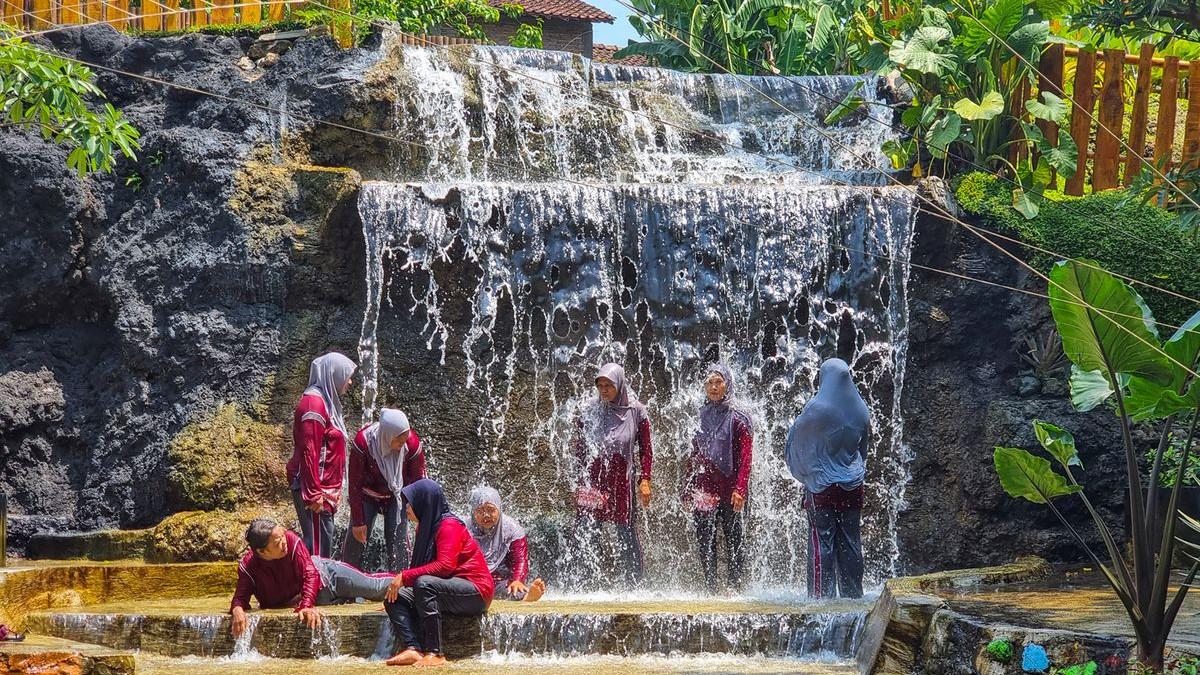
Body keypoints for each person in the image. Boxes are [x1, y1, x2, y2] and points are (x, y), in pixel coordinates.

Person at [384, 479, 494, 668]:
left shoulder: (449, 526)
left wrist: (405, 576)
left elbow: (445, 566)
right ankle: (413, 648)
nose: (407, 507)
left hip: (476, 591)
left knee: (424, 583)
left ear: (424, 502)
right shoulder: (425, 526)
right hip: (448, 588)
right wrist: (402, 589)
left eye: (411, 502)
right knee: (395, 597)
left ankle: (435, 653)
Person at [785, 358, 870, 600]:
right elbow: (863, 451)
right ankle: (853, 596)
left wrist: (806, 470)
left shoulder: (818, 409)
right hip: (853, 486)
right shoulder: (861, 410)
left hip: (821, 487)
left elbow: (795, 440)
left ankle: (821, 600)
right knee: (851, 541)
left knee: (822, 540)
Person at [229, 518, 395, 638]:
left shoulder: (292, 541)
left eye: (282, 535)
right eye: (278, 542)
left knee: (375, 589)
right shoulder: (248, 567)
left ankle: (409, 580)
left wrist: (306, 605)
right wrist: (237, 610)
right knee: (356, 601)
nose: (284, 542)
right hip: (323, 599)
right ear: (261, 552)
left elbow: (310, 573)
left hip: (330, 577)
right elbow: (240, 598)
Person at [574, 362, 653, 584]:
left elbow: (646, 449)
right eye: (600, 385)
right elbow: (580, 450)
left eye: (609, 385)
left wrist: (644, 479)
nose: (604, 390)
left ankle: (634, 584)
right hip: (595, 477)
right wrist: (580, 482)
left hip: (622, 479)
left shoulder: (636, 411)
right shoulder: (590, 410)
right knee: (588, 529)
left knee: (625, 530)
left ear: (619, 384)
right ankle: (584, 583)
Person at [685, 363, 752, 591]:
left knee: (734, 539)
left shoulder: (739, 417)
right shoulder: (700, 415)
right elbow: (693, 454)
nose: (713, 388)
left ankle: (734, 587)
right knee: (705, 540)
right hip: (705, 487)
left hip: (731, 489)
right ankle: (711, 588)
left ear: (728, 384)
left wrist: (741, 488)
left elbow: (746, 456)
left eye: (718, 382)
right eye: (710, 383)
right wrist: (688, 486)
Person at [288, 352, 356, 558]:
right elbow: (310, 449)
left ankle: (318, 586)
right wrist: (313, 494)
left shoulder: (326, 402)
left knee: (322, 544)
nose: (350, 381)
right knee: (318, 548)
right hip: (316, 490)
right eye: (347, 375)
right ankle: (316, 588)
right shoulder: (314, 404)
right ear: (333, 374)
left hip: (324, 489)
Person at [343, 408, 427, 571]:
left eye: (404, 441)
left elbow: (419, 483)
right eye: (398, 442)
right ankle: (346, 581)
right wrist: (359, 521)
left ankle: (401, 585)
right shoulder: (364, 443)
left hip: (397, 495)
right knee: (356, 537)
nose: (400, 446)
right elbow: (354, 484)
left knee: (398, 541)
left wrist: (420, 512)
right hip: (368, 494)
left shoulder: (411, 444)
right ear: (387, 435)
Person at [467, 485, 547, 602]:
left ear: (499, 508)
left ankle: (525, 597)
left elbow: (519, 560)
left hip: (499, 581)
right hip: (471, 580)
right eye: (480, 511)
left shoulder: (512, 529)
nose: (486, 515)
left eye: (491, 510)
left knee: (514, 590)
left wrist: (517, 580)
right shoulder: (463, 528)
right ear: (473, 512)